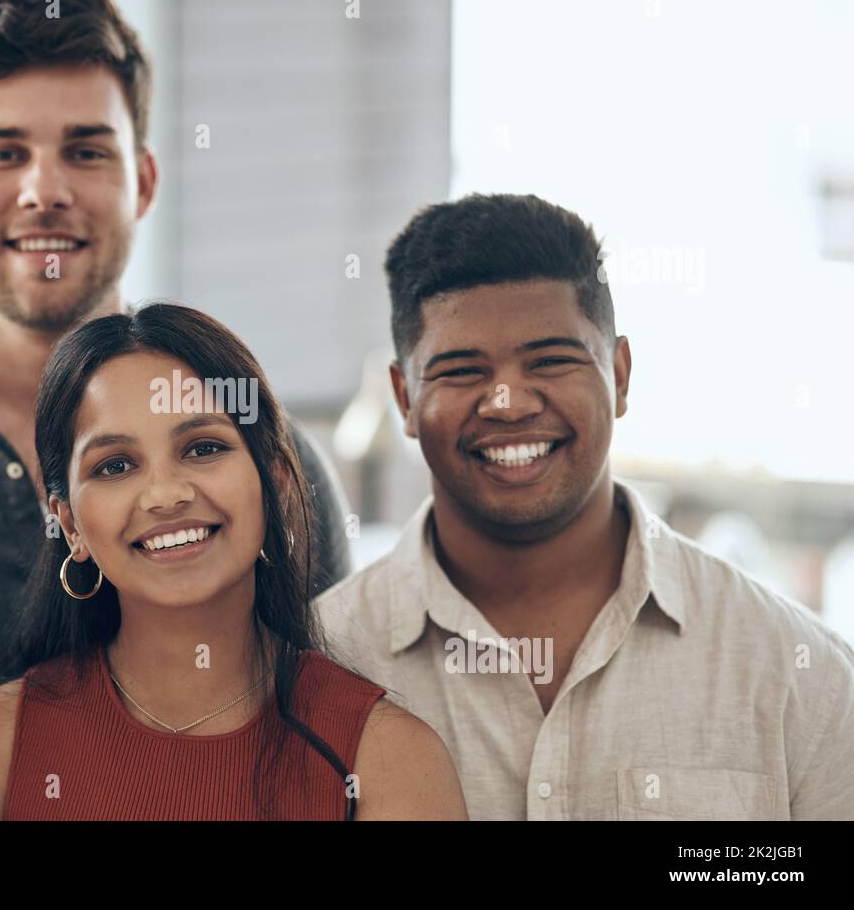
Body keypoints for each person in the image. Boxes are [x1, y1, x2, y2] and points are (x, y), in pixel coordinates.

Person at [0, 0, 354, 700]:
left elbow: (328, 724)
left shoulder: (267, 458)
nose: (44, 190)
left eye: (86, 152)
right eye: (2, 153)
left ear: (143, 181)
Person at [315, 192, 854, 820]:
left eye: (550, 360)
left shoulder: (799, 675)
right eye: (462, 370)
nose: (508, 403)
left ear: (620, 374)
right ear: (404, 398)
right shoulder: (314, 668)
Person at [0, 303, 467, 820]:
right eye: (115, 465)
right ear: (71, 524)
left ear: (273, 480)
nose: (165, 495)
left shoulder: (389, 758)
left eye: (203, 448)